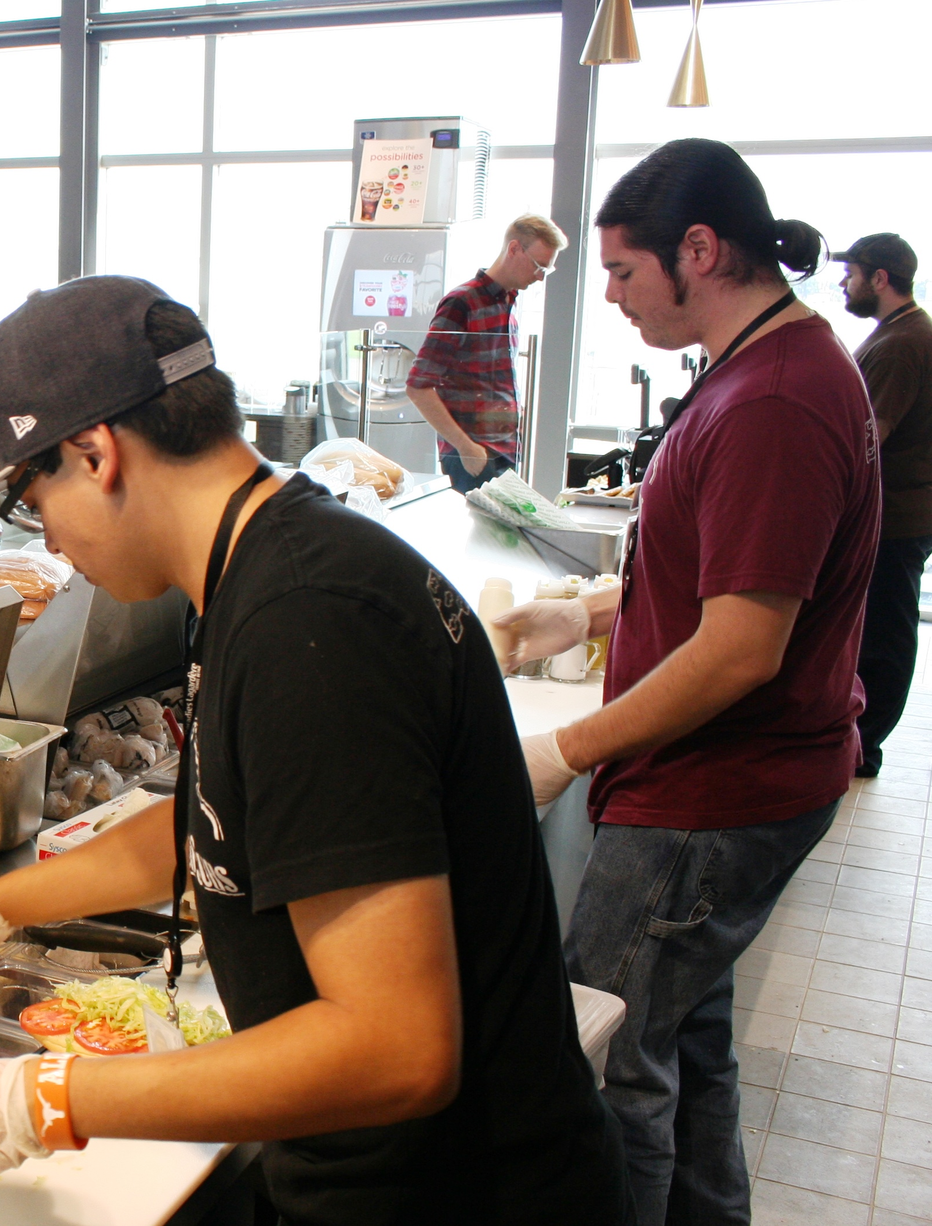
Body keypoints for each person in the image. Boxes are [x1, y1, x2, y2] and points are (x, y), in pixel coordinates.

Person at [0, 275, 632, 1224]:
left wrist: (48, 1099)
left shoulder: (310, 622)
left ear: (95, 454)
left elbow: (396, 1051)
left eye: (30, 499)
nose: (48, 538)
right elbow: (222, 822)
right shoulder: (265, 565)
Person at [496, 139, 878, 1224]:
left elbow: (743, 645)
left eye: (624, 271)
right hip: (739, 784)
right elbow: (732, 569)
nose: (612, 296)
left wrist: (566, 748)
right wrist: (589, 613)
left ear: (699, 251)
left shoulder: (774, 400)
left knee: (611, 1059)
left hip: (709, 798)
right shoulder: (768, 367)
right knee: (689, 1043)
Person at [833, 233, 932, 777]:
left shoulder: (902, 343)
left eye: (852, 274)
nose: (844, 284)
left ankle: (865, 745)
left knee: (885, 633)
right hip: (894, 513)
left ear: (880, 278)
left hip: (896, 517)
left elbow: (871, 435)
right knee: (879, 627)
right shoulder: (899, 332)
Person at [406, 213, 566, 492]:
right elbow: (418, 386)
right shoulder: (462, 302)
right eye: (539, 266)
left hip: (504, 451)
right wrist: (465, 447)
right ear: (514, 249)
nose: (541, 277)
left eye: (546, 270)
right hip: (473, 454)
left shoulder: (509, 303)